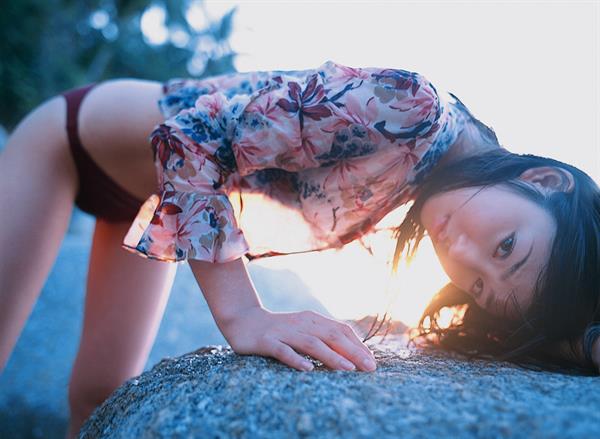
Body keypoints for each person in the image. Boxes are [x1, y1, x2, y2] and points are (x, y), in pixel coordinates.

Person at [0, 60, 598, 437]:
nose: (461, 256)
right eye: (506, 246)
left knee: (97, 399)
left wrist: (582, 340)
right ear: (544, 181)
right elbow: (188, 136)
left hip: (151, 202)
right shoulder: (412, 109)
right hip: (68, 142)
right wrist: (243, 314)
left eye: (478, 286)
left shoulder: (444, 183)